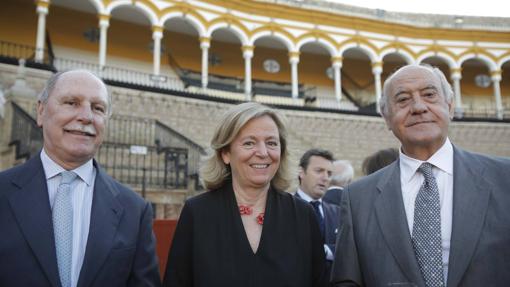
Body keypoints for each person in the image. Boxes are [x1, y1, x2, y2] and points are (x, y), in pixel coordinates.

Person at [331, 64, 510, 286]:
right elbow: (347, 280)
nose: (418, 107)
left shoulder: (504, 178)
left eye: (429, 95)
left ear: (450, 106)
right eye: (403, 99)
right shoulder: (357, 198)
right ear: (386, 118)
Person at [0, 70, 161, 287]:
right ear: (41, 111)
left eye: (98, 108)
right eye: (71, 102)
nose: (86, 116)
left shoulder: (134, 209)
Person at [163, 102, 326, 287]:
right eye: (249, 143)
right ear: (225, 153)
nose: (263, 153)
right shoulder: (198, 212)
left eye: (272, 143)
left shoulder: (303, 215)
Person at [295, 149, 340, 284]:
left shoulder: (338, 213)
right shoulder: (283, 209)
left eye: (329, 173)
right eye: (319, 171)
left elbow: (348, 249)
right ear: (301, 172)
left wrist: (326, 251)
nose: (325, 177)